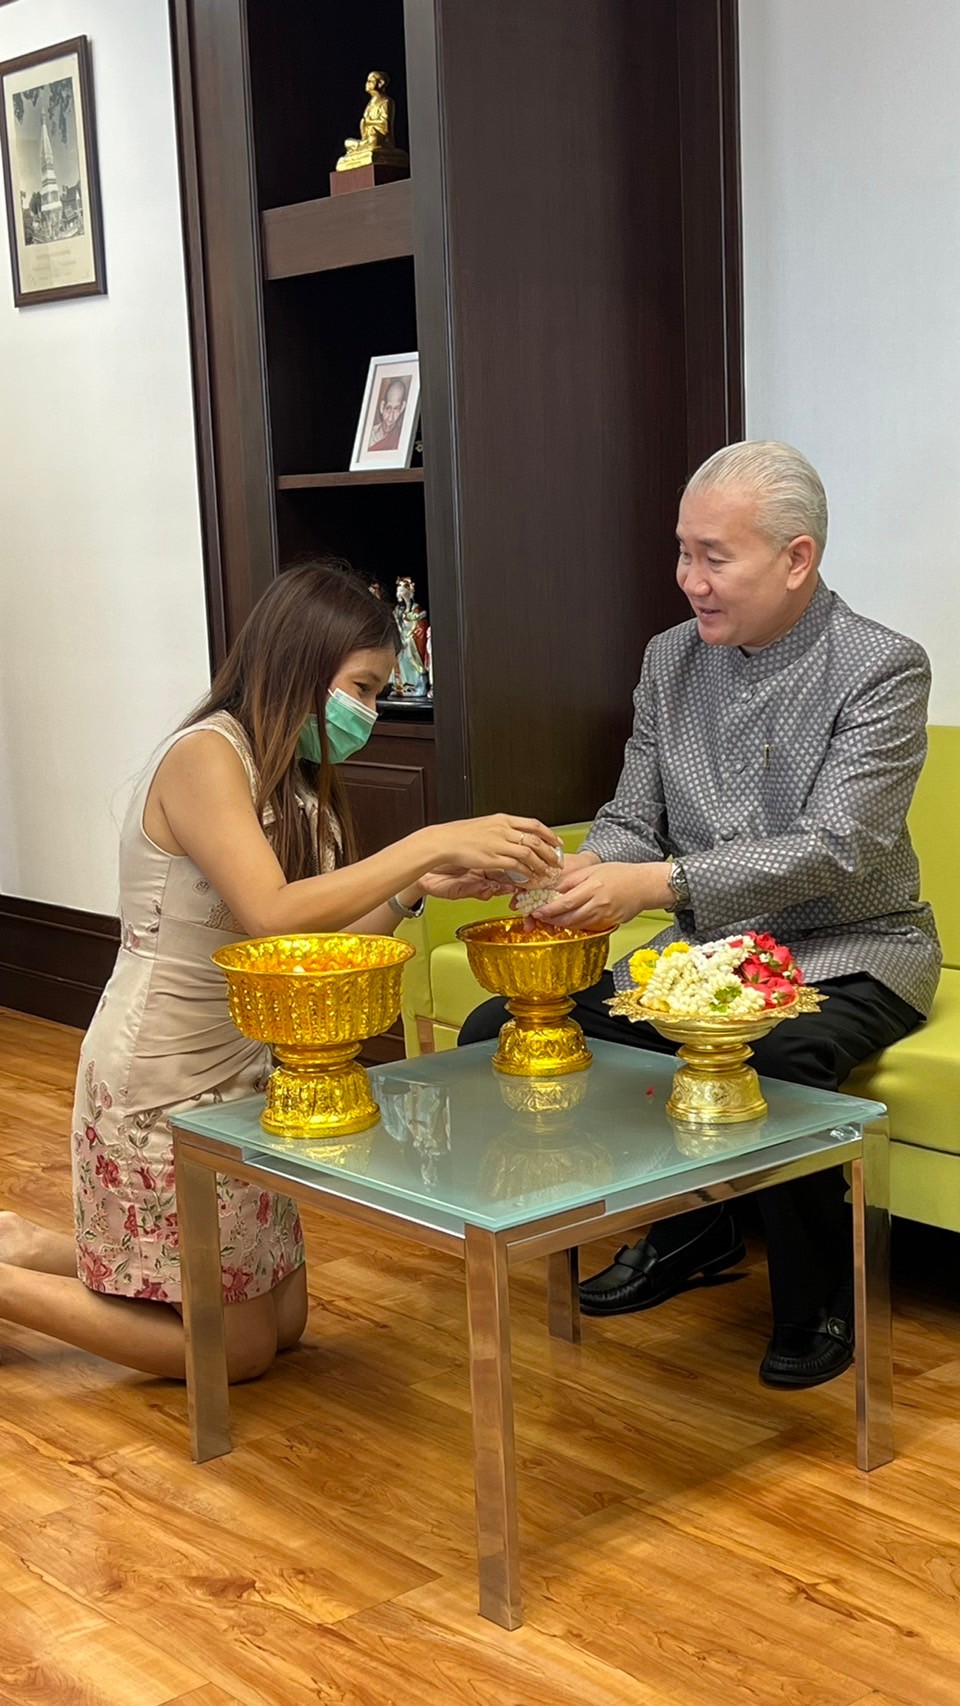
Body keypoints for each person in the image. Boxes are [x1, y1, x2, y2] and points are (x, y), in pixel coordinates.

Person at [0, 562, 561, 1382]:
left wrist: (412, 888)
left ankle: (24, 1243)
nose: (370, 713)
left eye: (378, 693)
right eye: (362, 688)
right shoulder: (205, 756)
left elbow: (312, 947)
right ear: (302, 663)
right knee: (241, 1350)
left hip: (247, 1073)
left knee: (285, 1326)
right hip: (162, 1078)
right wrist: (424, 844)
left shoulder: (294, 780)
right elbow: (270, 913)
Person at [461, 441, 940, 1389]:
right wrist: (574, 871)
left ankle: (822, 1300)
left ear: (797, 559)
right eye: (683, 552)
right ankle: (686, 1227)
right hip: (704, 955)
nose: (689, 580)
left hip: (850, 948)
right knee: (507, 1028)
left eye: (714, 557)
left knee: (778, 1055)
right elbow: (633, 818)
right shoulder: (670, 658)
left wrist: (656, 886)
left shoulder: (881, 667)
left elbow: (835, 846)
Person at [367, 379, 408, 453]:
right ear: (382, 406)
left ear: (402, 408)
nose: (390, 418)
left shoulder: (402, 438)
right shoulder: (369, 435)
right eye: (388, 408)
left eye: (396, 409)